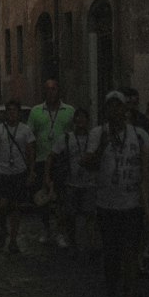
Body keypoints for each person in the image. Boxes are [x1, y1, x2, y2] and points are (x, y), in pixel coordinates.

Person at [84, 89, 149, 297]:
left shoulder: (139, 134)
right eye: (110, 106)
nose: (115, 111)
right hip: (107, 204)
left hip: (131, 204)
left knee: (130, 252)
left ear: (125, 110)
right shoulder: (97, 134)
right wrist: (103, 145)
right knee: (112, 253)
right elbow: (87, 163)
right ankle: (112, 291)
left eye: (118, 106)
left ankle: (130, 296)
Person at [27, 78, 74, 246]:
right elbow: (30, 139)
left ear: (58, 91)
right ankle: (46, 229)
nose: (51, 92)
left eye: (54, 89)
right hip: (41, 159)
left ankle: (60, 231)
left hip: (61, 161)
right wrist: (31, 165)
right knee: (42, 199)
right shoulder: (36, 112)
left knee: (61, 198)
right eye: (48, 89)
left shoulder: (69, 111)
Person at [0, 99, 36, 255]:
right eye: (9, 110)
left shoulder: (25, 130)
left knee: (16, 206)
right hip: (2, 172)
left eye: (14, 110)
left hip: (19, 172)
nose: (11, 113)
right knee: (2, 205)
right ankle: (3, 228)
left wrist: (31, 171)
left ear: (18, 113)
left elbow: (30, 152)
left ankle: (13, 240)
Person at [48, 106, 98, 257]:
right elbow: (52, 156)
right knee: (70, 216)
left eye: (83, 117)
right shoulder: (66, 138)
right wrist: (48, 177)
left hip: (89, 182)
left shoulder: (93, 139)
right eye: (78, 117)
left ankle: (91, 245)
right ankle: (73, 244)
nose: (80, 120)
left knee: (90, 215)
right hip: (71, 183)